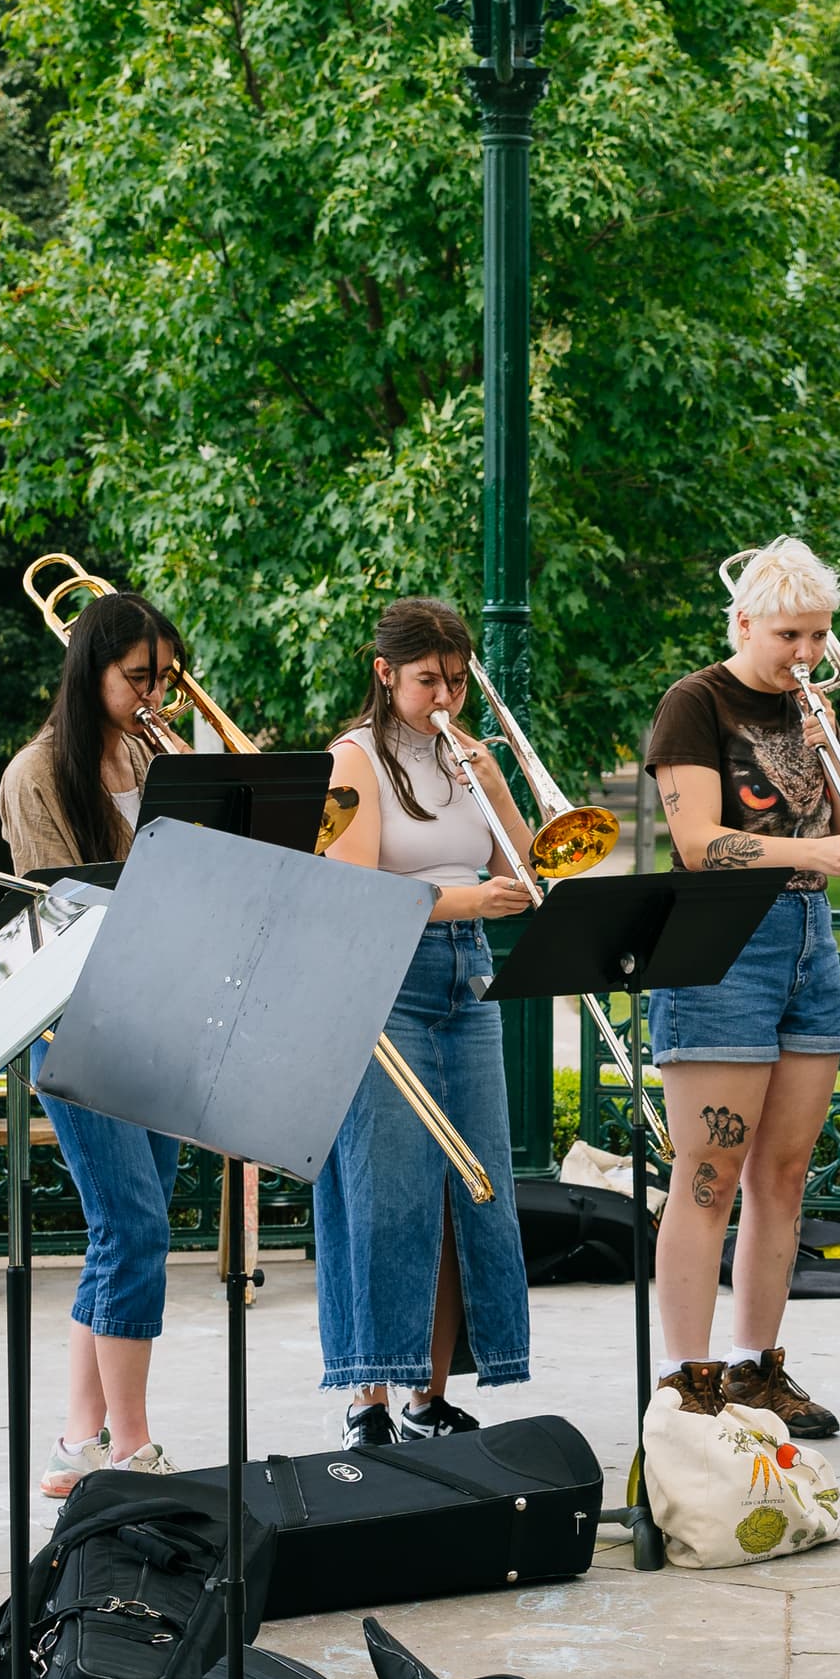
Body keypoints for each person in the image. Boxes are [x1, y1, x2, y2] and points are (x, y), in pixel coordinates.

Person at [638, 538, 840, 1436]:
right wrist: (808, 851)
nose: (808, 656)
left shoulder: (810, 705)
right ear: (744, 621)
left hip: (808, 938)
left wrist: (834, 756)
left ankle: (755, 1368)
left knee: (784, 1174)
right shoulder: (694, 702)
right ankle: (686, 1376)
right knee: (709, 1172)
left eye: (820, 637)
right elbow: (701, 843)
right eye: (791, 635)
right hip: (722, 940)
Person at [314, 598, 539, 1448]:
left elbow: (529, 856)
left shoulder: (463, 753)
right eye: (425, 681)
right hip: (387, 979)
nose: (444, 697)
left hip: (468, 972)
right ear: (384, 673)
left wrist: (496, 783)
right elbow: (356, 889)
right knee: (385, 1196)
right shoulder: (356, 759)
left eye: (455, 680)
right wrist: (472, 898)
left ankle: (427, 1396)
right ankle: (367, 1399)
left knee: (466, 1190)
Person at [0, 587, 189, 1495]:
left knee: (127, 1226)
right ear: (92, 672)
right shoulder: (37, 773)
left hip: (164, 1010)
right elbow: (59, 911)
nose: (157, 695)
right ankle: (130, 1445)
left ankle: (80, 1437)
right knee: (134, 1225)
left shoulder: (160, 757)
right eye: (138, 678)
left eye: (168, 677)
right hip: (84, 1023)